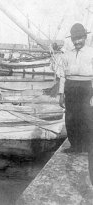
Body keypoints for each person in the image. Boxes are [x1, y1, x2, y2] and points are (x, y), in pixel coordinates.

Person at [58, 23, 93, 153]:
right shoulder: (67, 54)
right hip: (70, 87)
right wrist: (61, 94)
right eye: (74, 39)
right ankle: (75, 146)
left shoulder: (91, 52)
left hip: (87, 87)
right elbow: (62, 75)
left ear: (85, 37)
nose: (77, 41)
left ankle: (89, 146)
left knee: (87, 117)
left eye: (79, 38)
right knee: (71, 118)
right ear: (71, 39)